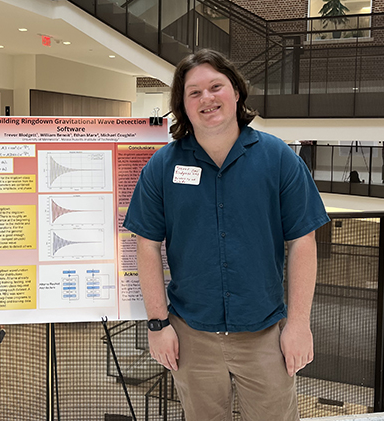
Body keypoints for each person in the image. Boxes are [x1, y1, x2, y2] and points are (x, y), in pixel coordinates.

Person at [123, 49, 329, 421]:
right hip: (191, 337)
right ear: (182, 106)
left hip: (264, 335)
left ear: (236, 91)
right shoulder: (162, 167)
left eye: (216, 86)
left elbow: (303, 240)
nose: (207, 99)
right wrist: (157, 324)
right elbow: (147, 246)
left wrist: (299, 324)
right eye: (194, 93)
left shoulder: (278, 158)